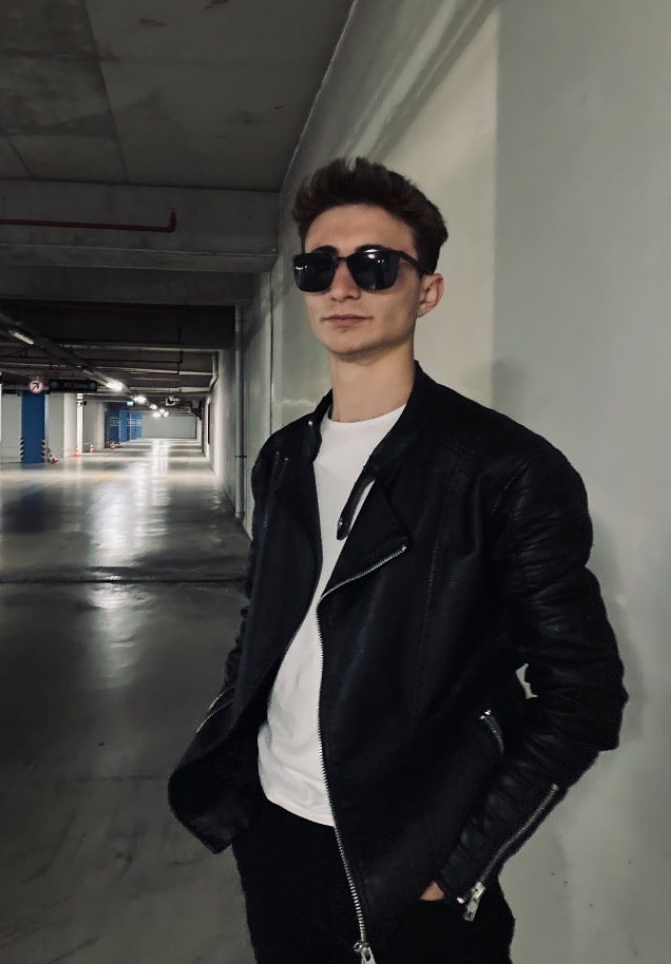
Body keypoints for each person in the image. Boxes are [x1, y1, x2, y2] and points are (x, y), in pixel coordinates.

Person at [168, 157, 627, 964]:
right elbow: (262, 623)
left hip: (406, 856)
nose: (342, 286)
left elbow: (583, 694)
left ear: (427, 291)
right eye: (318, 267)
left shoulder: (504, 470)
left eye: (375, 266)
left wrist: (456, 866)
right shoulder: (283, 458)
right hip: (272, 828)